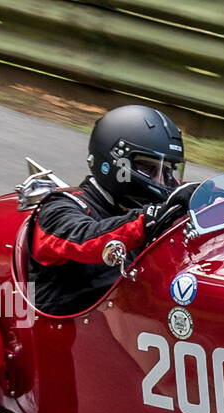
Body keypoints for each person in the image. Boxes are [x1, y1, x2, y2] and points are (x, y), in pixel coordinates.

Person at [29, 104, 197, 315]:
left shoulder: (158, 210)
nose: (162, 181)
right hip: (69, 337)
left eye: (167, 171)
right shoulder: (58, 208)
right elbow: (87, 240)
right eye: (148, 168)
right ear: (111, 164)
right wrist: (148, 220)